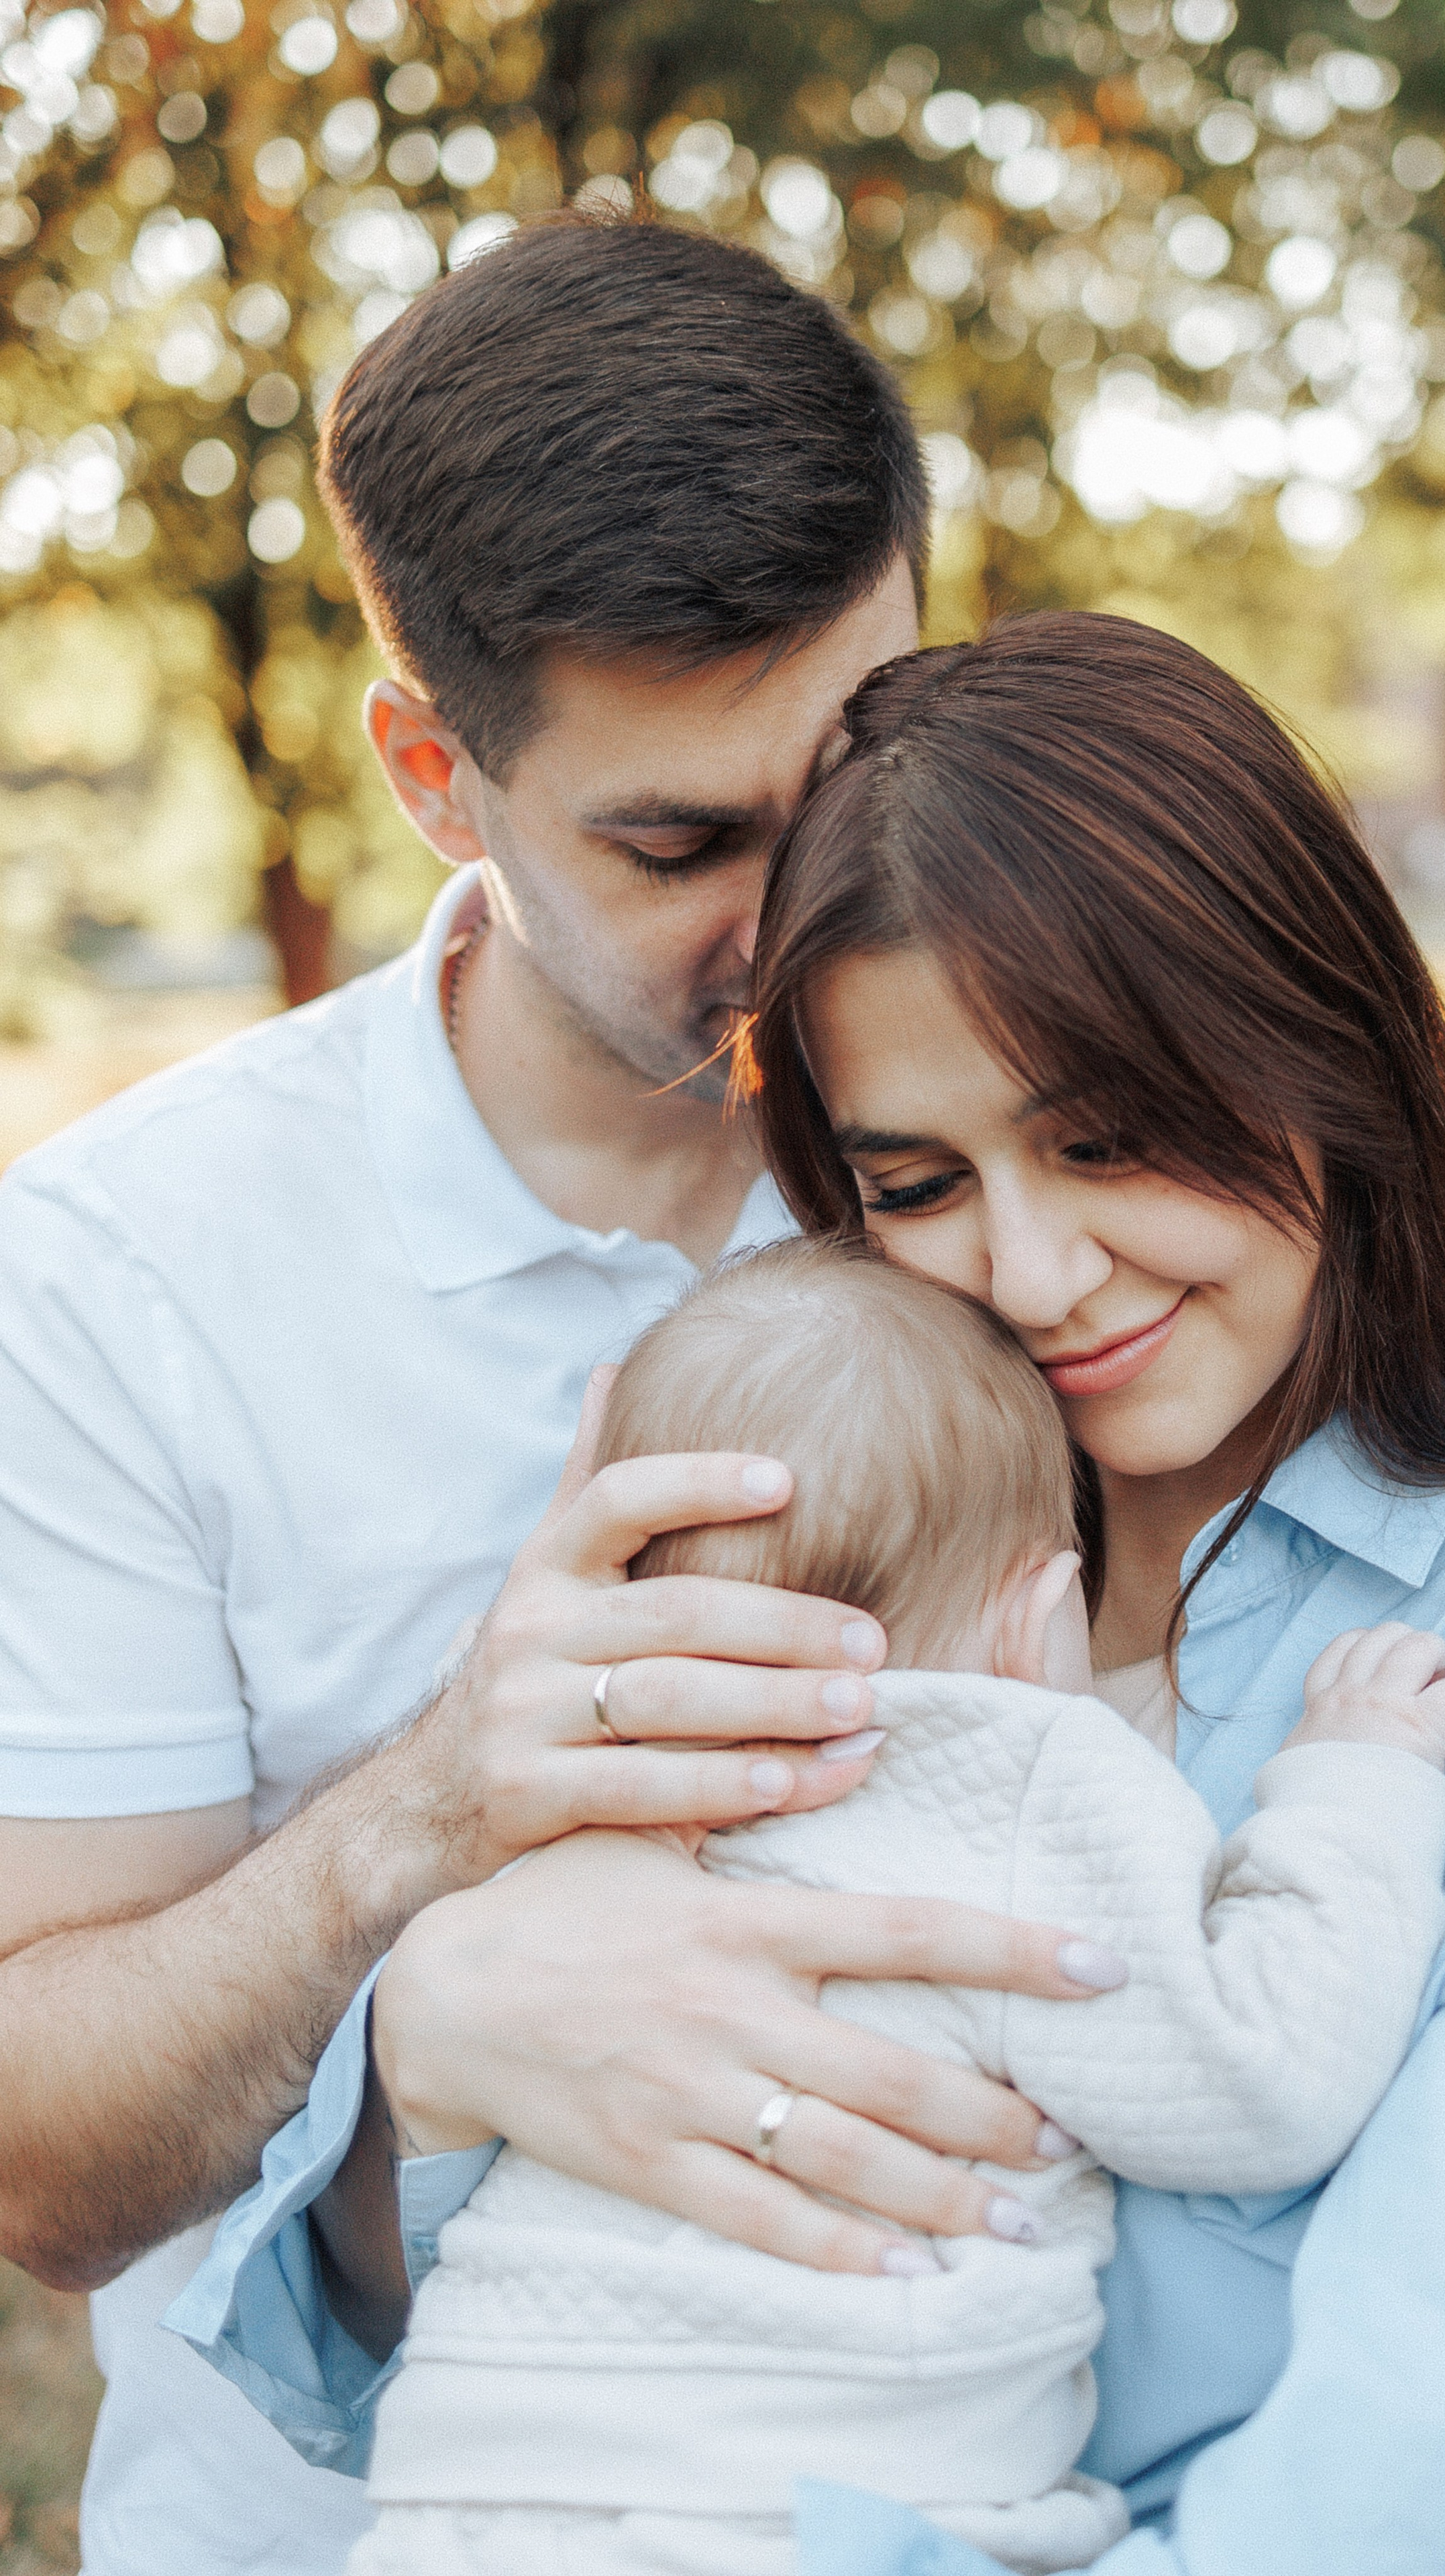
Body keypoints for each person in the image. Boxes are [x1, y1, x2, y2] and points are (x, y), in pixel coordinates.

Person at [196, 613, 1445, 2575]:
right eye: (914, 1183)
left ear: (1321, 1055)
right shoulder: (794, 1560)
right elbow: (434, 2328)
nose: (1034, 1271)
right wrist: (430, 2044)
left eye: (1110, 1139)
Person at [0, 215, 1100, 2576]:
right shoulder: (110, 1291)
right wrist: (421, 1824)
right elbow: (40, 2165)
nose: (817, 903)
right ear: (432, 775)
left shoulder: (1059, 1176)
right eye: (684, 842)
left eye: (858, 758)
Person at [349, 1238, 1445, 2576]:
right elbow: (1258, 2082)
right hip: (807, 2523)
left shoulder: (578, 1801)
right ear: (1040, 1614)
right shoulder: (1015, 1777)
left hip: (454, 2497)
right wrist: (1351, 1786)